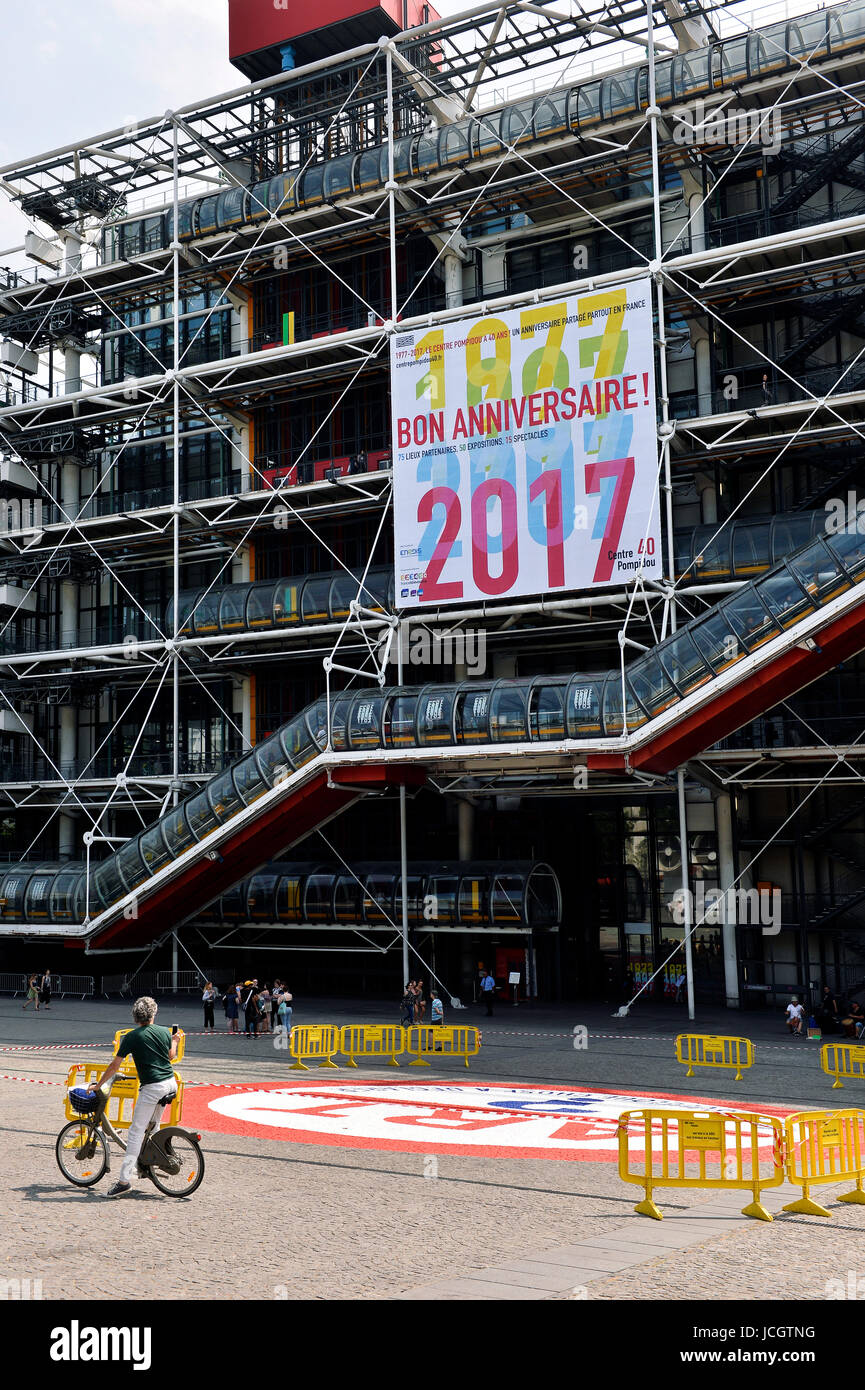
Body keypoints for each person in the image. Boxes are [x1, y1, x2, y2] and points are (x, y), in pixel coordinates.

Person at [89, 995, 180, 1199]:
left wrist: (99, 1085)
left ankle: (123, 1181)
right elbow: (171, 1056)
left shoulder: (131, 1036)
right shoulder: (164, 1032)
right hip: (170, 1083)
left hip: (153, 1088)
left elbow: (115, 1065)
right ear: (153, 1014)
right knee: (153, 1127)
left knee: (135, 1132)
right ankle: (147, 1165)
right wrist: (174, 1041)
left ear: (135, 1016)